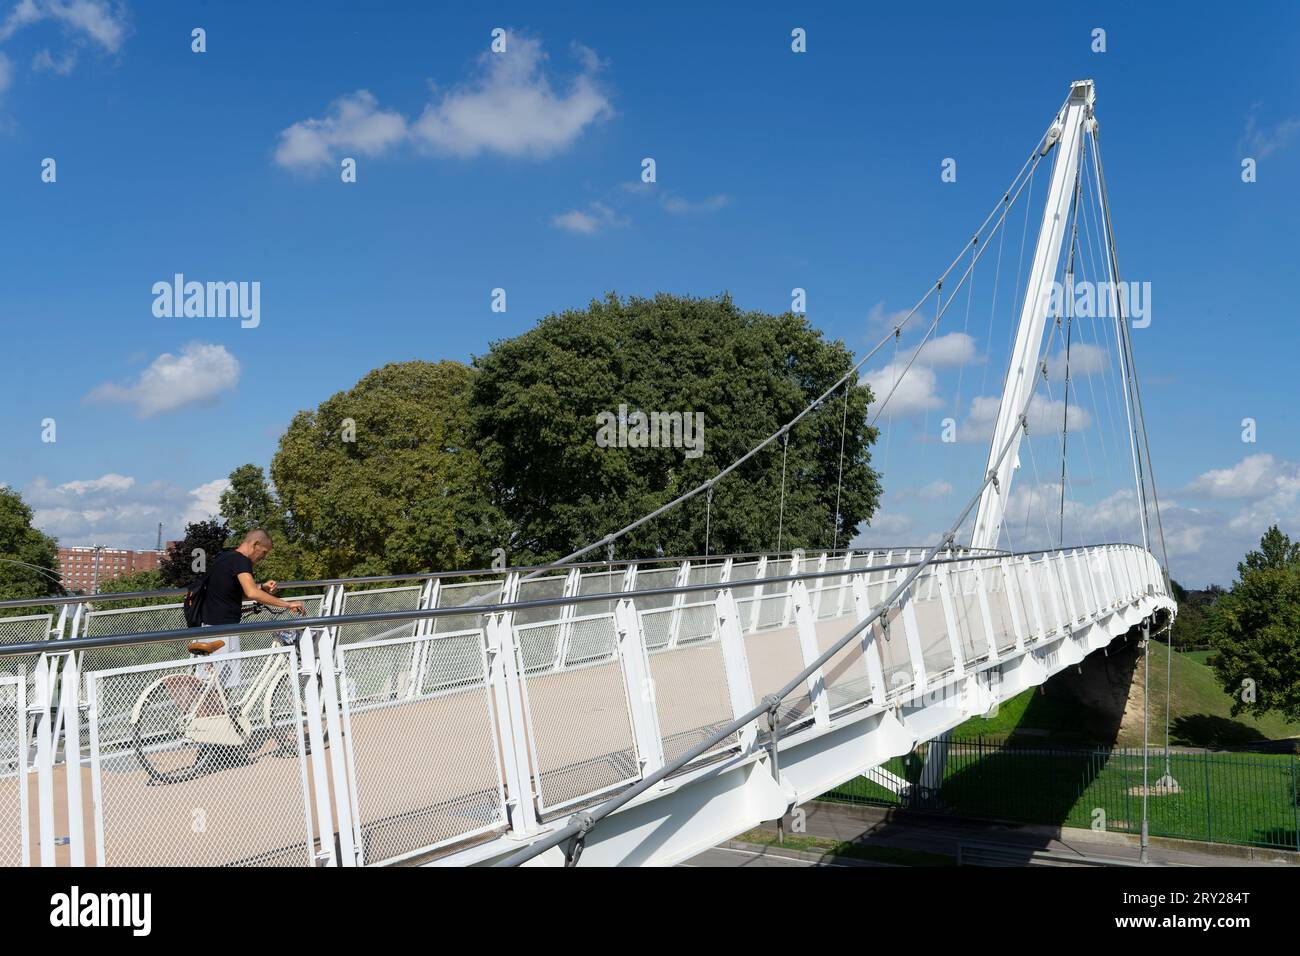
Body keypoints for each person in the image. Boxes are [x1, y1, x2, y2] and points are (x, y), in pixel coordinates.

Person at [200, 529, 305, 686]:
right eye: (264, 552)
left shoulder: (225, 557)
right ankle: (224, 711)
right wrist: (288, 604)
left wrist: (262, 588)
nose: (263, 558)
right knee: (225, 686)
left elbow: (234, 592)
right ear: (255, 544)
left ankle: (207, 710)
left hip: (207, 627)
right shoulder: (241, 561)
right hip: (224, 631)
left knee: (207, 685)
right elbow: (251, 592)